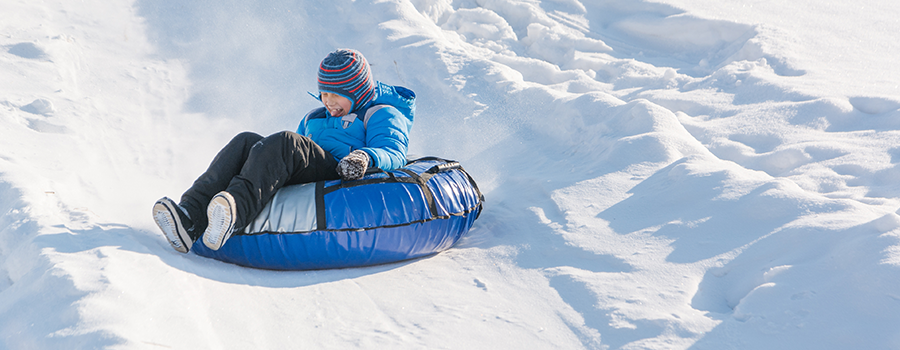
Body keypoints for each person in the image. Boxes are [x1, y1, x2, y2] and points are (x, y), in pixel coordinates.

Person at [151, 48, 414, 253]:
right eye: (324, 95)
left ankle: (234, 214)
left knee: (288, 142)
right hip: (312, 169)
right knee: (246, 141)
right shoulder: (314, 117)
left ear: (358, 91)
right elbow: (291, 153)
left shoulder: (380, 113)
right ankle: (190, 217)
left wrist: (364, 157)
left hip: (340, 172)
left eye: (337, 96)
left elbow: (394, 151)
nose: (329, 103)